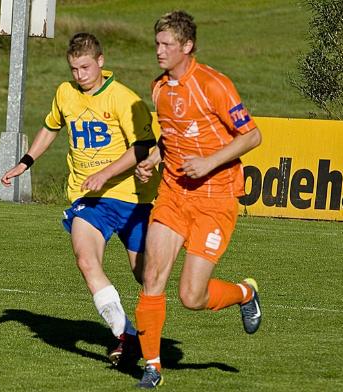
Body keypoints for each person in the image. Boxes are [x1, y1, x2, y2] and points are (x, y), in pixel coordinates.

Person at [1, 32, 158, 367]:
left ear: (101, 61)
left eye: (85, 67)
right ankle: (124, 334)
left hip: (132, 198)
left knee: (146, 276)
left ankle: (152, 334)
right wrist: (25, 163)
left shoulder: (124, 99)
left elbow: (144, 147)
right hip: (89, 199)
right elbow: (50, 127)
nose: (79, 75)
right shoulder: (65, 93)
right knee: (86, 261)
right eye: (73, 69)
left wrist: (106, 173)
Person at [133, 11, 263, 388]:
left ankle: (244, 293)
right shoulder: (158, 88)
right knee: (151, 276)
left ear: (186, 47)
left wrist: (208, 162)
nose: (158, 51)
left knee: (192, 296)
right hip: (173, 193)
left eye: (166, 45)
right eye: (157, 43)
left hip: (215, 198)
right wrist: (152, 161)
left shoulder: (214, 85)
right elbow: (169, 138)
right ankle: (152, 367)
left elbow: (252, 136)